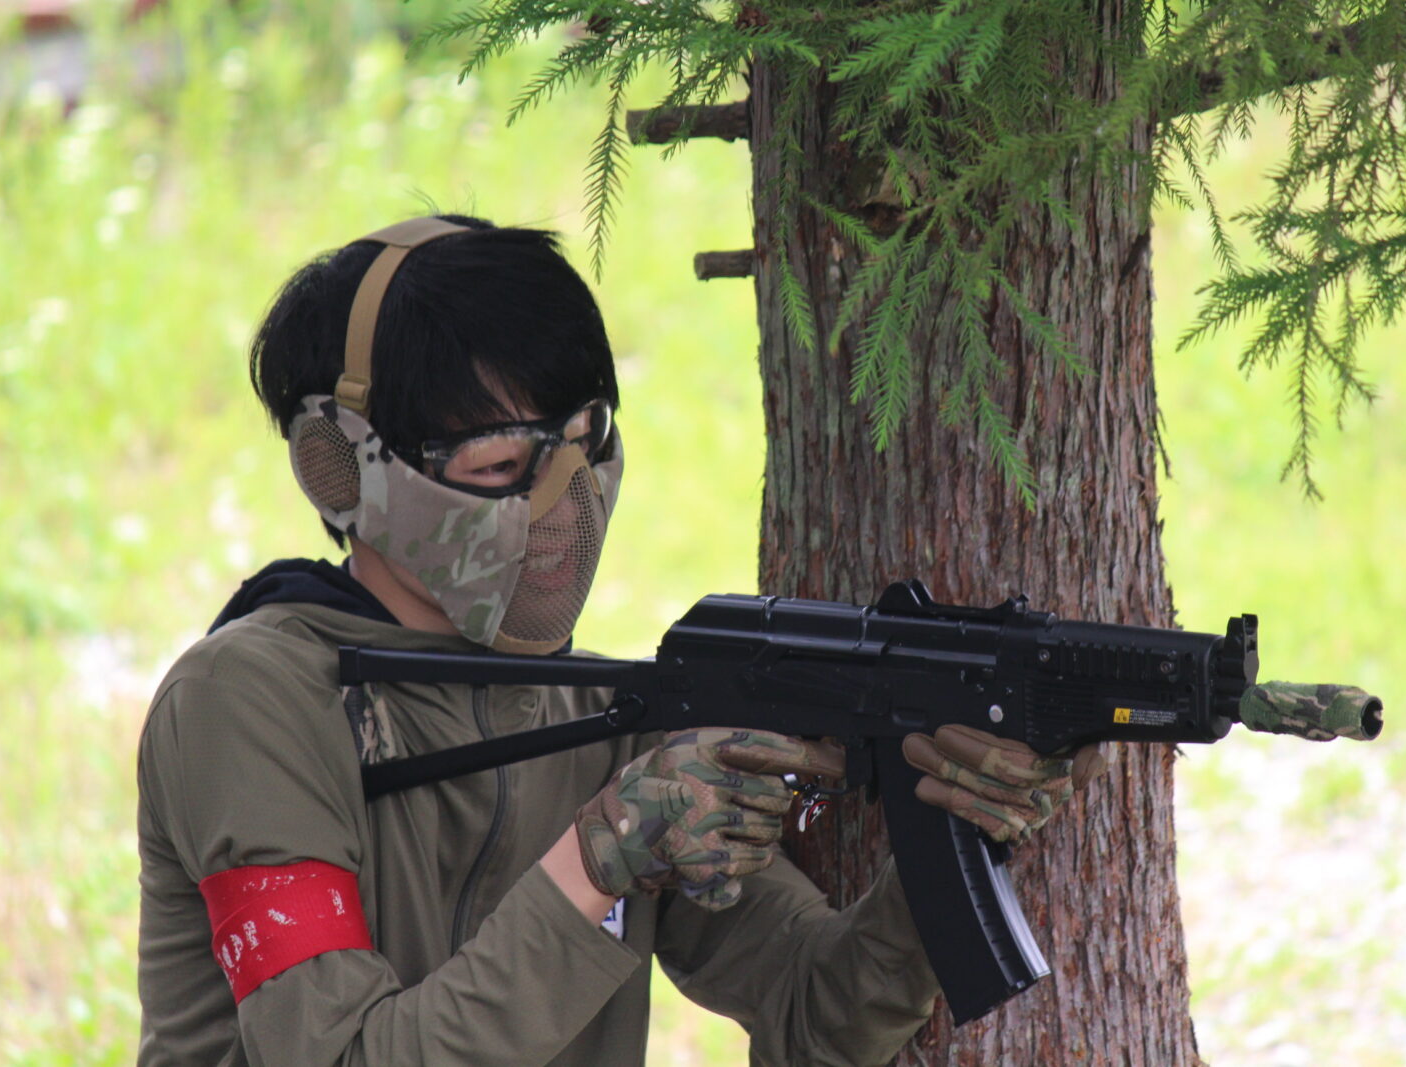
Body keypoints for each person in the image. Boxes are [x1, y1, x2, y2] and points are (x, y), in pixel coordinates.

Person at [135, 215, 1101, 1066]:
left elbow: (817, 1016)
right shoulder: (249, 700)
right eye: (501, 465)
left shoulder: (602, 721)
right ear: (339, 470)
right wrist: (597, 860)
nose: (566, 507)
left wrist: (955, 828)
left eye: (587, 443)